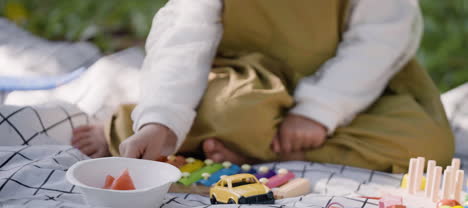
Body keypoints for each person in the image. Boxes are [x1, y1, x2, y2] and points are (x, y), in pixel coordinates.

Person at [72, 0, 454, 173]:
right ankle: (146, 130)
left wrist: (318, 110)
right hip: (247, 79)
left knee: (426, 143)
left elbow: (379, 40)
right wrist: (162, 118)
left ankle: (268, 153)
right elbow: (183, 38)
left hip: (349, 86)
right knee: (232, 113)